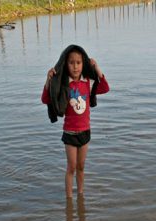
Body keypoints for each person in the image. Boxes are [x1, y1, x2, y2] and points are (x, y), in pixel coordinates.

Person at [41, 45, 110, 198]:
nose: (75, 66)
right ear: (66, 64)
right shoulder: (63, 84)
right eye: (71, 62)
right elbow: (45, 99)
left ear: (83, 64)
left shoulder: (88, 83)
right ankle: (69, 199)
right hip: (70, 133)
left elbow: (105, 88)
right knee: (71, 167)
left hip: (85, 132)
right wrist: (48, 80)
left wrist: (97, 67)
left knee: (81, 166)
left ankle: (80, 196)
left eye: (78, 62)